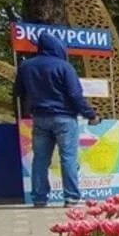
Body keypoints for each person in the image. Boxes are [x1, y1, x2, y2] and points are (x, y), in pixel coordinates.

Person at [13, 33, 99, 207]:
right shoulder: (64, 67)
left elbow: (17, 92)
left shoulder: (26, 67)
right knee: (68, 157)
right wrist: (91, 115)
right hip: (65, 118)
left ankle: (39, 198)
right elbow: (75, 95)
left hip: (39, 118)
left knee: (40, 159)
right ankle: (71, 198)